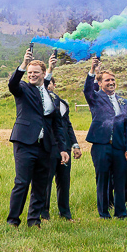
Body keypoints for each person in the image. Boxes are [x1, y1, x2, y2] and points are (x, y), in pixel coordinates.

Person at [5, 47, 69, 228]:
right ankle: (13, 221)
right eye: (29, 73)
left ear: (43, 74)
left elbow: (57, 125)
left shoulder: (51, 97)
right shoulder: (24, 88)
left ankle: (34, 220)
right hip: (25, 142)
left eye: (35, 73)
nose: (31, 75)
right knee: (22, 182)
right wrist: (24, 64)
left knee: (41, 184)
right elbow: (13, 84)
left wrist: (63, 148)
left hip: (45, 146)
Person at [83, 57, 127, 219]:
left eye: (113, 80)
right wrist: (92, 70)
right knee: (102, 180)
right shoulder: (95, 98)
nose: (111, 82)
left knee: (121, 180)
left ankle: (121, 213)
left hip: (120, 147)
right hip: (101, 145)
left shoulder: (124, 102)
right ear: (100, 83)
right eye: (107, 80)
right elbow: (87, 90)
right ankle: (104, 213)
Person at [44, 65, 82, 221]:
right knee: (46, 182)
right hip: (48, 148)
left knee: (64, 181)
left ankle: (65, 213)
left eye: (51, 83)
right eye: (46, 83)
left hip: (64, 147)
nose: (49, 86)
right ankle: (43, 214)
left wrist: (75, 145)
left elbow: (68, 125)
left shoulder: (63, 103)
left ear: (55, 85)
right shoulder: (40, 101)